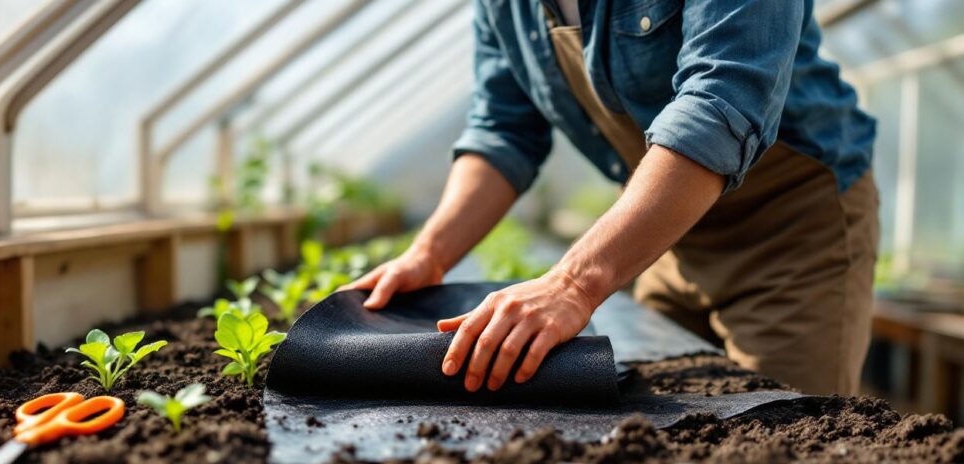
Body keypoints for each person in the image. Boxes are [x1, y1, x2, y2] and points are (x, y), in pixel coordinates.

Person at [343, 0, 878, 396]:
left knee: (781, 441)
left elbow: (720, 105)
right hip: (666, 236)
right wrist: (428, 253)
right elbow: (504, 132)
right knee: (664, 423)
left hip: (792, 232)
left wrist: (573, 283)